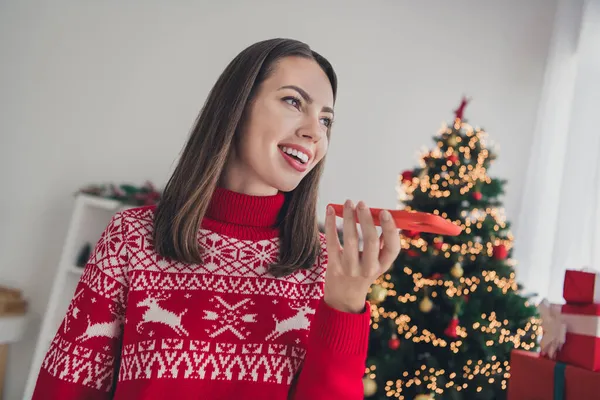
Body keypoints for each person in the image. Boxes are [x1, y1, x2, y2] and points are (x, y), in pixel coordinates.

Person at [32, 38, 400, 400]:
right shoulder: (132, 237)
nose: (314, 132)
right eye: (293, 101)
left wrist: (346, 304)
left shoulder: (326, 266)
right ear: (237, 108)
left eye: (326, 120)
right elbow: (64, 388)